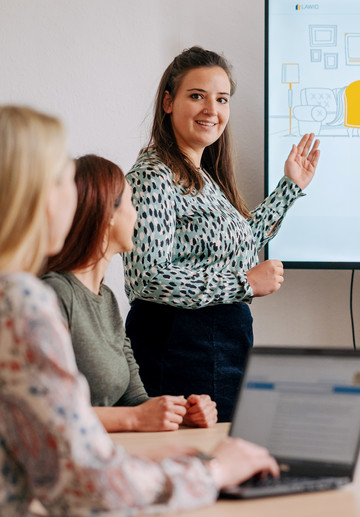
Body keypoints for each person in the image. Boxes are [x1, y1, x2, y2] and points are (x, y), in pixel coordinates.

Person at [0, 105, 279, 517]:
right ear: (29, 193)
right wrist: (212, 472)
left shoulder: (96, 300)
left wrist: (170, 419)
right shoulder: (22, 303)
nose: (71, 197)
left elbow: (114, 417)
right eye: (61, 181)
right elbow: (87, 483)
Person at [123, 46, 320, 421]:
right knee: (201, 461)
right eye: (196, 96)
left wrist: (289, 188)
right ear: (168, 102)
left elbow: (238, 242)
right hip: (182, 349)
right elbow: (148, 278)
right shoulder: (153, 176)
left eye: (221, 99)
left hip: (220, 347)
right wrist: (244, 284)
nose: (211, 110)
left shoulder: (203, 176)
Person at [43, 154, 217, 432]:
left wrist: (181, 413)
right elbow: (47, 411)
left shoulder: (108, 298)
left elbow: (134, 400)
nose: (138, 213)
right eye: (131, 202)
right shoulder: (53, 294)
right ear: (107, 215)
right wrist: (135, 419)